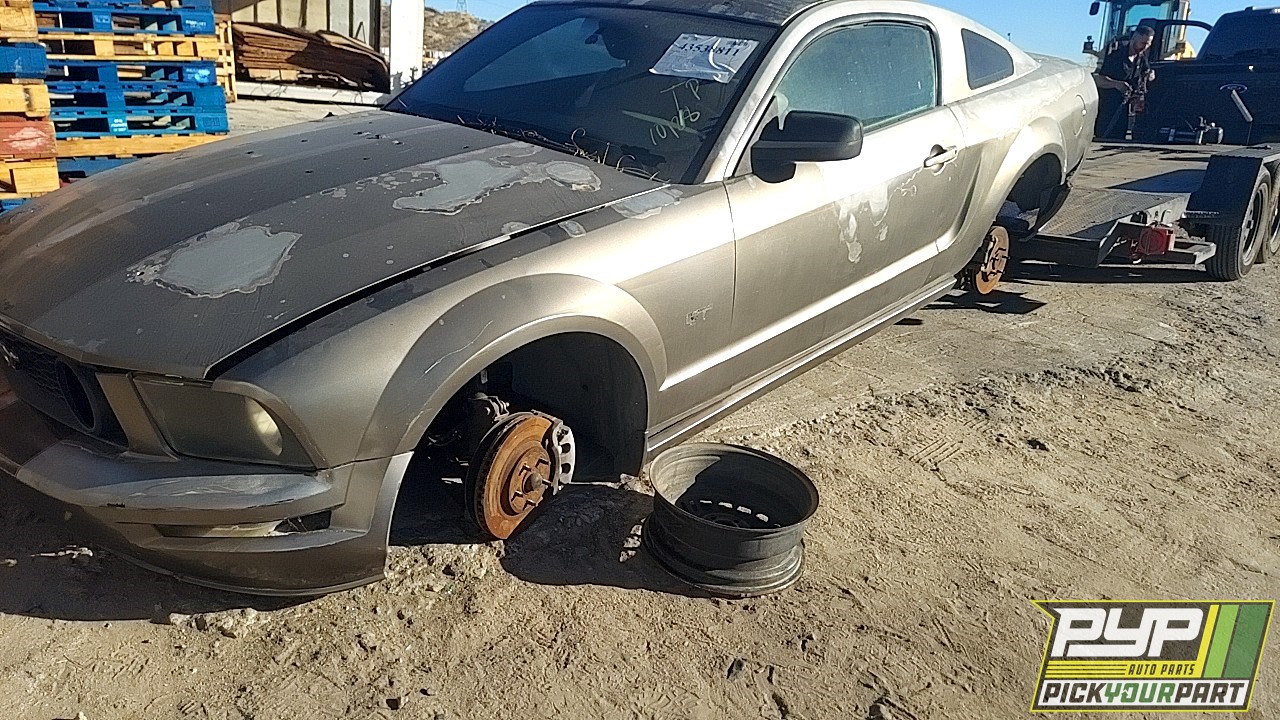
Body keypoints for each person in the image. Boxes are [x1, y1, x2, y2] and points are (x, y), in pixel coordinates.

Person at [1094, 27, 1158, 140]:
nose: (1145, 47)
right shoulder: (1113, 51)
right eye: (1143, 43)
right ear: (1134, 38)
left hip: (1124, 114)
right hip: (1106, 111)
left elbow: (1147, 74)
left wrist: (1150, 76)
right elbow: (1096, 79)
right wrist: (1116, 84)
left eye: (1148, 44)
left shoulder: (1142, 57)